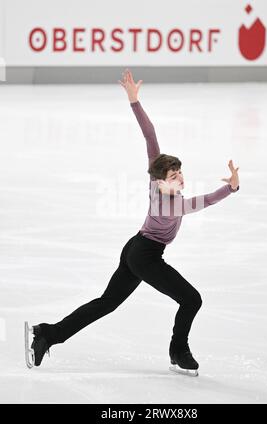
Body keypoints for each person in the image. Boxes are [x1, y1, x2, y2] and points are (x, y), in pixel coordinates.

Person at [28, 69, 240, 375]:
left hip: (136, 248)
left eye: (180, 171)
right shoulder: (170, 206)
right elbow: (205, 200)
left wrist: (134, 101)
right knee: (191, 299)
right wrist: (231, 187)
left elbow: (150, 135)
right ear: (161, 181)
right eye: (174, 175)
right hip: (145, 255)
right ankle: (178, 350)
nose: (180, 177)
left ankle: (49, 333)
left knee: (107, 302)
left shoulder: (157, 181)